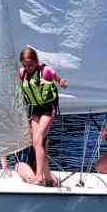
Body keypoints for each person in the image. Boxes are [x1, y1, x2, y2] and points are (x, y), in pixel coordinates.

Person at [17, 46, 67, 186]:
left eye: (31, 64)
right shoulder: (22, 73)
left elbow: (58, 79)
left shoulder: (46, 70)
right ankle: (48, 176)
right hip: (35, 110)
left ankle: (39, 177)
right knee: (36, 143)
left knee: (38, 140)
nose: (28, 68)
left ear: (37, 61)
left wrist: (62, 82)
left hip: (47, 109)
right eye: (25, 65)